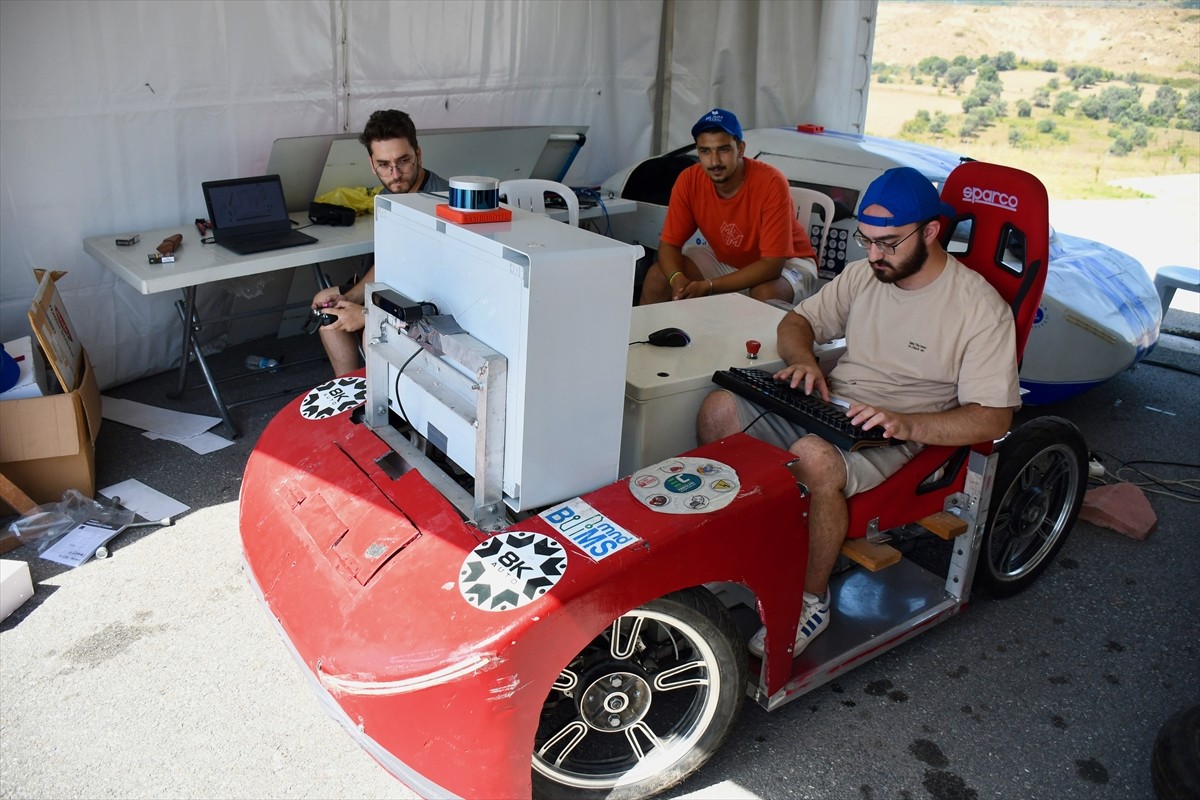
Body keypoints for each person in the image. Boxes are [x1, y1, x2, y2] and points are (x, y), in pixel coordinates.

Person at [696, 166, 1021, 658]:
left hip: (899, 431)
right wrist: (804, 361)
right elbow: (798, 321)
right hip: (833, 404)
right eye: (866, 241)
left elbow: (995, 418)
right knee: (720, 408)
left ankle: (811, 599)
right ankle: (734, 554)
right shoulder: (864, 274)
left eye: (887, 243)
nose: (873, 255)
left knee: (813, 456)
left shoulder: (978, 308)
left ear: (931, 232)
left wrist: (907, 423)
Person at [311, 109, 449, 376]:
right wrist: (350, 297)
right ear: (372, 164)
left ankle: (379, 398)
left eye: (403, 161)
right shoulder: (388, 196)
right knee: (327, 302)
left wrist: (366, 313)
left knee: (372, 333)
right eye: (384, 165)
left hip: (430, 300)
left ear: (418, 155)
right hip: (396, 285)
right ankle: (349, 388)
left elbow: (432, 288)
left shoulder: (440, 203)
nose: (395, 174)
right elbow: (389, 261)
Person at [638, 108, 818, 306]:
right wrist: (677, 279)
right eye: (705, 151)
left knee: (766, 294)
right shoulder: (689, 180)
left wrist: (709, 286)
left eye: (723, 149)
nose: (714, 161)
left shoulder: (771, 182)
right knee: (658, 278)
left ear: (740, 149)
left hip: (789, 263)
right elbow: (668, 245)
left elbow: (772, 265)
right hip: (727, 259)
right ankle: (642, 329)